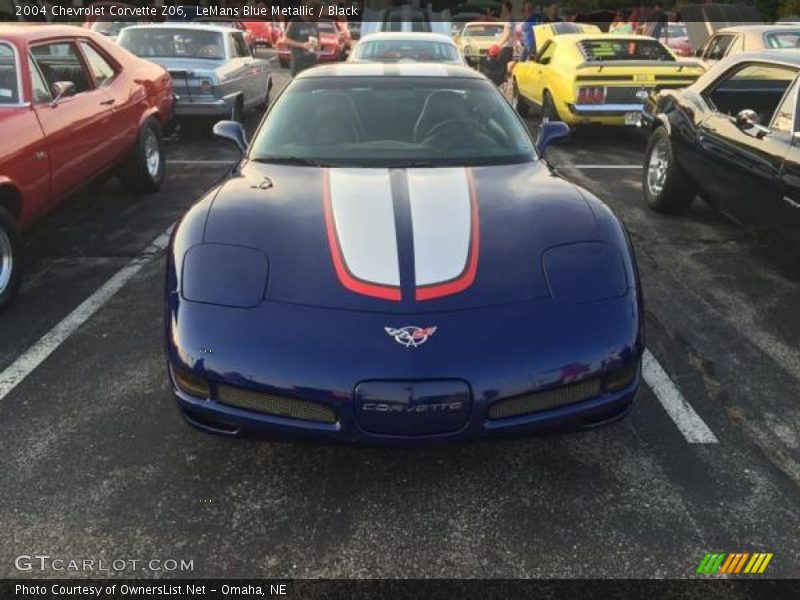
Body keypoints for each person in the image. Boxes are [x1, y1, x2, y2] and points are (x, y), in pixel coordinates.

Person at [283, 0, 321, 77]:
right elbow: (285, 40)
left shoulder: (314, 23)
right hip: (299, 64)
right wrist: (302, 45)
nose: (318, 16)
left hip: (313, 63)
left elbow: (318, 38)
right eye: (317, 14)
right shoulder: (295, 22)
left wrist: (317, 46)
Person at [495, 0, 515, 80]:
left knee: (504, 66)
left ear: (507, 8)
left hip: (507, 46)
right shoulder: (508, 18)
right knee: (505, 65)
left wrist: (500, 44)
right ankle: (505, 80)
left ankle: (505, 81)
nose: (502, 9)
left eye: (503, 7)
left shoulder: (510, 19)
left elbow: (508, 33)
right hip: (507, 46)